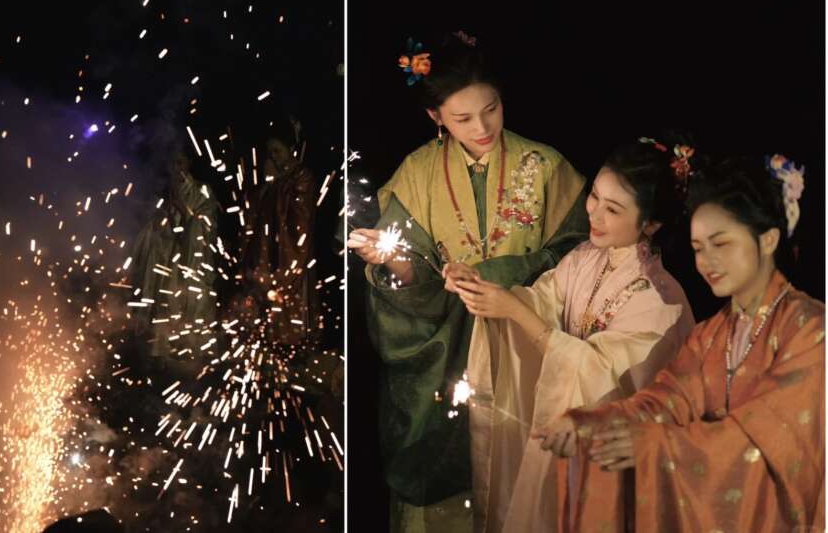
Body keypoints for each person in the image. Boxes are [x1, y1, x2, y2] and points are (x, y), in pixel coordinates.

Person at [347, 31, 589, 532]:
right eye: (461, 119)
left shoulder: (546, 167)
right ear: (435, 118)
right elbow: (411, 277)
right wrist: (391, 262)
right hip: (445, 363)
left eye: (491, 110)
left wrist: (497, 275)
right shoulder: (414, 174)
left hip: (526, 350)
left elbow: (579, 254)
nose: (482, 128)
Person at [536, 155, 824, 532]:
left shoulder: (812, 331)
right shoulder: (711, 336)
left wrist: (657, 445)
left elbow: (764, 437)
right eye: (699, 247)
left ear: (768, 239)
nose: (707, 261)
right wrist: (589, 426)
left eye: (721, 243)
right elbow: (663, 402)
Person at [457, 137, 696, 532]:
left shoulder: (660, 302)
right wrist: (484, 293)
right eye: (595, 197)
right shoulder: (584, 257)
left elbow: (600, 375)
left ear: (650, 223)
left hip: (611, 460)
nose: (595, 214)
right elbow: (541, 302)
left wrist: (513, 310)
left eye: (613, 208)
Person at [130, 149, 219, 372]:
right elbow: (153, 230)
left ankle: (194, 367)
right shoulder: (165, 193)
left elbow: (205, 225)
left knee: (188, 309)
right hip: (166, 263)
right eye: (172, 163)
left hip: (190, 265)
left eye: (180, 161)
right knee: (164, 312)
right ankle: (162, 367)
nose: (176, 168)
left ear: (188, 162)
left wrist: (183, 208)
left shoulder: (201, 189)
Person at [246, 120, 318, 348]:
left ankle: (294, 352)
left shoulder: (302, 177)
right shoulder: (276, 179)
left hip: (293, 255)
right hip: (270, 255)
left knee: (291, 307)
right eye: (270, 153)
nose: (274, 157)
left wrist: (289, 267)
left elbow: (300, 223)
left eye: (277, 151)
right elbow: (257, 216)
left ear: (290, 149)